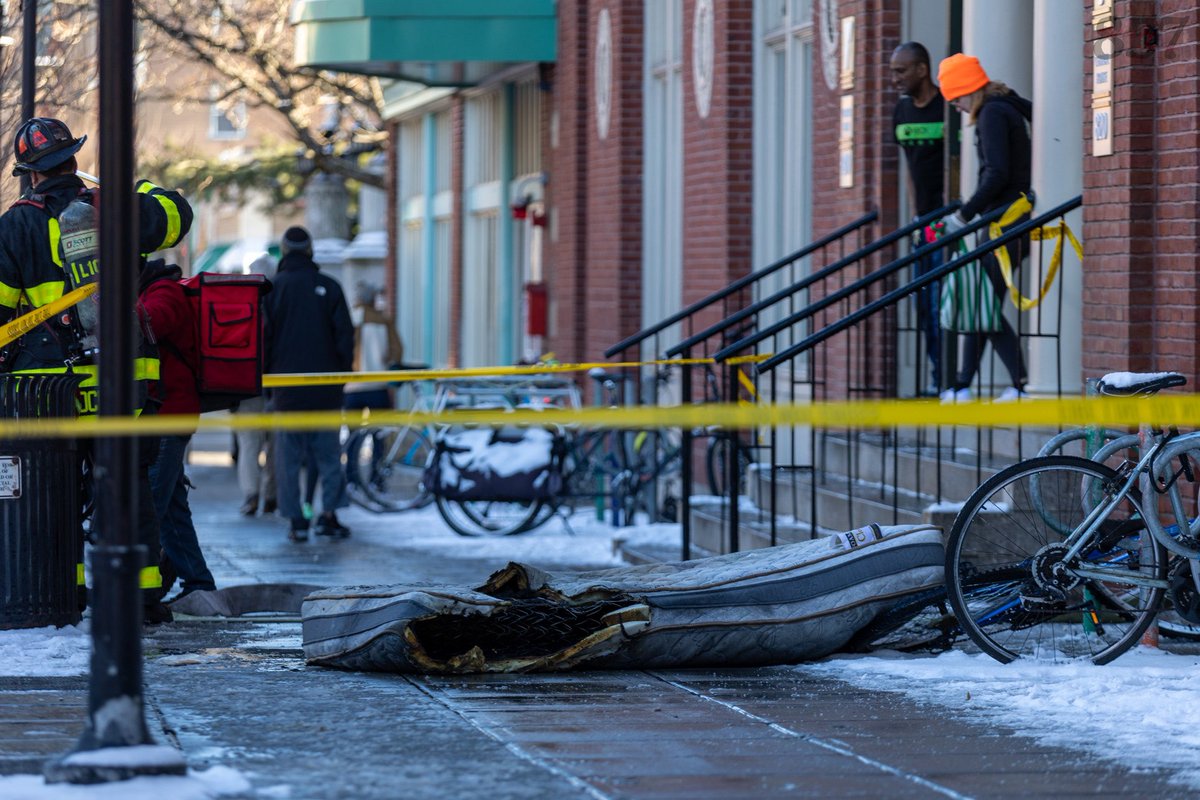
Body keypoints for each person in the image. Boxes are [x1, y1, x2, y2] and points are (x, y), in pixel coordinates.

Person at [0, 117, 193, 623]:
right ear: (74, 160)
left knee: (57, 492)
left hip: (50, 388)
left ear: (29, 174)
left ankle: (70, 594)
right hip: (120, 380)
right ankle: (142, 598)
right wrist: (142, 188)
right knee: (127, 488)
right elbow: (178, 213)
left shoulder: (15, 226)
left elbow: (3, 317)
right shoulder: (117, 209)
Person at [936, 54, 1031, 403]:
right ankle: (963, 385)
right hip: (1005, 223)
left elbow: (997, 173)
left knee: (982, 304)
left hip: (1005, 223)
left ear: (968, 90)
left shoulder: (992, 113)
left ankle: (1018, 384)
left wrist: (965, 214)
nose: (956, 107)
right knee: (982, 303)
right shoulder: (1006, 107)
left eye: (955, 99)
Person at [264, 226, 354, 542]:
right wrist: (340, 377)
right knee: (329, 457)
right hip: (327, 390)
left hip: (286, 391)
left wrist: (267, 384)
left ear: (284, 251)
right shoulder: (329, 287)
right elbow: (345, 337)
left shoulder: (273, 289)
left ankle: (295, 522)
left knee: (288, 460)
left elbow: (264, 340)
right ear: (311, 251)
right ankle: (328, 515)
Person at [139, 258, 216, 599]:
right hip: (163, 412)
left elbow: (149, 322)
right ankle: (198, 583)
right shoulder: (153, 291)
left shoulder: (165, 292)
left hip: (171, 414)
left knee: (149, 504)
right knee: (170, 507)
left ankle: (140, 589)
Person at [890, 41, 945, 395]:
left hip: (948, 222)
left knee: (944, 305)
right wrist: (914, 215)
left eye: (901, 71)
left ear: (922, 70)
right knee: (923, 305)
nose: (895, 78)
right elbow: (909, 167)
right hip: (921, 225)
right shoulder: (902, 111)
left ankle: (947, 381)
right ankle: (935, 376)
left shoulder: (946, 107)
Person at [344, 281, 404, 491]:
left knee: (352, 437)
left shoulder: (349, 318)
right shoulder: (383, 321)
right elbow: (397, 351)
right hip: (378, 386)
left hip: (352, 388)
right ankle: (376, 478)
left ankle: (351, 478)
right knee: (379, 436)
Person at [235, 253, 277, 516]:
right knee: (273, 444)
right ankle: (271, 494)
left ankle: (251, 495)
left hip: (244, 384)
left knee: (249, 444)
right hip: (275, 384)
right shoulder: (280, 302)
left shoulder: (239, 303)